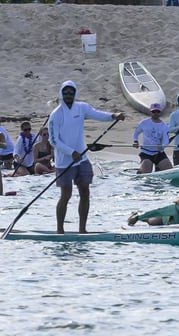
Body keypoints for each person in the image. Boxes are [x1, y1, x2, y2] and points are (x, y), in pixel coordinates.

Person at [48, 80, 125, 234]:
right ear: (61, 94)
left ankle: (82, 230)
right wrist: (71, 152)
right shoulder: (55, 115)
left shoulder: (81, 108)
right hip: (64, 161)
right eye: (65, 92)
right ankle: (60, 231)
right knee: (66, 194)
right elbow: (53, 140)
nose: (68, 95)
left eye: (71, 92)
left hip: (82, 159)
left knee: (85, 192)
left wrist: (113, 116)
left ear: (75, 93)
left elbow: (98, 114)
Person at [132, 102, 172, 173]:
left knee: (169, 169)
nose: (155, 113)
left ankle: (158, 168)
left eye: (157, 111)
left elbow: (166, 140)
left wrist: (162, 146)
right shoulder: (144, 123)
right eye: (153, 111)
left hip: (159, 153)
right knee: (146, 169)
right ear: (150, 112)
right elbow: (136, 133)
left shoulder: (164, 126)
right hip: (146, 153)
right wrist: (135, 141)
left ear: (160, 112)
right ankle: (140, 171)